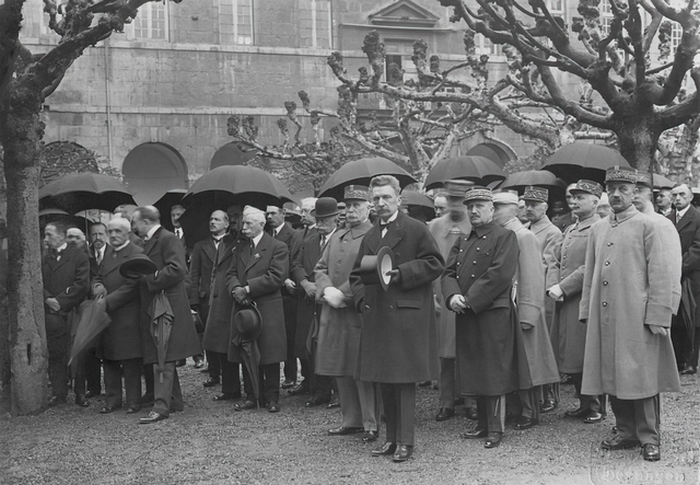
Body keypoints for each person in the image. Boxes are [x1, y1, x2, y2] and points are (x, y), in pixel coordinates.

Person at [580, 166, 681, 462]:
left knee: (642, 375)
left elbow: (661, 272)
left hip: (637, 316)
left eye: (623, 188)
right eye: (611, 188)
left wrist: (659, 315)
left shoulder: (650, 225)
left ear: (635, 192)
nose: (616, 194)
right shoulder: (598, 228)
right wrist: (587, 310)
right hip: (605, 315)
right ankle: (625, 431)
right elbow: (590, 274)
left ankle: (650, 437)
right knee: (611, 373)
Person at [349, 175, 444, 463]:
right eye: (376, 198)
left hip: (405, 316)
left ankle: (406, 442)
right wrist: (362, 300)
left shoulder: (416, 229)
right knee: (384, 380)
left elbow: (435, 263)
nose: (380, 203)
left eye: (386, 197)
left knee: (403, 382)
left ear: (398, 200)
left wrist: (401, 273)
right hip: (377, 315)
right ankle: (390, 439)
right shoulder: (370, 235)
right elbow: (357, 275)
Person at [442, 187, 530, 449]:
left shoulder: (505, 237)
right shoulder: (463, 240)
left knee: (493, 371)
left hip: (492, 313)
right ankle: (481, 423)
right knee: (474, 367)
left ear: (492, 209)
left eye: (480, 206)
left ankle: (495, 427)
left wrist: (469, 300)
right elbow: (447, 273)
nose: (473, 211)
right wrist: (452, 297)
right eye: (470, 207)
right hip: (467, 312)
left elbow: (500, 274)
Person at [315, 186, 379, 442]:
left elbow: (370, 272)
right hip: (333, 312)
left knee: (362, 370)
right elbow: (319, 267)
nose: (351, 210)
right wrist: (326, 288)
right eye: (347, 206)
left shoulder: (374, 235)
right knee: (340, 367)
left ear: (368, 208)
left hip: (358, 312)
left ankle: (371, 422)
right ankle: (350, 419)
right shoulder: (338, 236)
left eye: (357, 205)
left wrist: (344, 294)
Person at [493, 190, 559, 431]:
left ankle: (530, 411)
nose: (495, 211)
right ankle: (516, 408)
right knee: (513, 363)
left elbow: (533, 276)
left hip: (523, 307)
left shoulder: (524, 236)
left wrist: (529, 312)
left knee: (529, 363)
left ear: (513, 210)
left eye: (498, 207)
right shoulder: (505, 234)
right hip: (508, 308)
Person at [131, 206, 201, 423]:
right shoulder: (154, 240)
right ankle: (175, 401)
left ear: (144, 221)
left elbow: (177, 269)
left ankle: (161, 407)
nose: (133, 227)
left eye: (134, 222)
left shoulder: (167, 238)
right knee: (165, 353)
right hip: (160, 304)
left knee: (162, 355)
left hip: (166, 305)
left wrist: (148, 279)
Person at [546, 180, 605, 423]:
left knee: (587, 354)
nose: (574, 201)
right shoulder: (571, 228)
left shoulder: (599, 228)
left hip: (583, 298)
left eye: (581, 197)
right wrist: (553, 283)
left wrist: (564, 286)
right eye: (573, 197)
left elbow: (590, 266)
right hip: (565, 299)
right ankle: (584, 402)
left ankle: (596, 405)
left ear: (595, 201)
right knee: (570, 354)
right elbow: (556, 259)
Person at [227, 206, 288, 413]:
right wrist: (235, 288)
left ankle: (272, 397)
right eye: (243, 223)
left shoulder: (277, 247)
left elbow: (276, 277)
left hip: (267, 307)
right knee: (246, 349)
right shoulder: (240, 248)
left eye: (248, 223)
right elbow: (231, 273)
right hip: (244, 307)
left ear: (261, 225)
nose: (243, 227)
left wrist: (247, 288)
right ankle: (252, 395)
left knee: (269, 354)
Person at [427, 179, 475, 422]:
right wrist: (430, 295)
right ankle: (446, 402)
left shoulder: (475, 223)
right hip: (440, 297)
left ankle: (470, 399)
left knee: (469, 350)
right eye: (452, 199)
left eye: (460, 199)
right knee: (444, 354)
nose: (456, 204)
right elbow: (425, 261)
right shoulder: (434, 226)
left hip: (468, 296)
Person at [91, 218, 143, 414]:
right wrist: (97, 286)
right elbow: (98, 275)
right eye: (110, 231)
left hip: (127, 314)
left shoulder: (136, 254)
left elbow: (133, 285)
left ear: (128, 234)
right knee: (109, 358)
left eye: (118, 231)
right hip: (107, 316)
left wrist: (107, 302)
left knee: (130, 360)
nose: (113, 235)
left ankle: (134, 401)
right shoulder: (108, 254)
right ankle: (112, 400)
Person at [291, 198, 339, 407]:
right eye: (317, 219)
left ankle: (338, 391)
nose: (320, 223)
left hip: (331, 301)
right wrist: (304, 283)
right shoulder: (309, 241)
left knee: (332, 345)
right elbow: (296, 264)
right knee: (311, 345)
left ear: (336, 219)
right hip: (309, 301)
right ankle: (319, 390)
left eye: (324, 220)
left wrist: (320, 287)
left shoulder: (341, 239)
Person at [523, 185, 563, 413]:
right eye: (526, 204)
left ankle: (550, 395)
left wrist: (544, 295)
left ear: (545, 207)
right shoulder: (524, 228)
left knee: (546, 347)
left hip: (541, 295)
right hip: (526, 293)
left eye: (534, 205)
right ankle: (534, 393)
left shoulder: (552, 232)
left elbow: (549, 265)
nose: (528, 208)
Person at [42, 222, 90, 406]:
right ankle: (59, 392)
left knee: (77, 352)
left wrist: (60, 302)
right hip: (52, 313)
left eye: (49, 235)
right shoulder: (44, 258)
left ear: (61, 236)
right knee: (56, 351)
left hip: (73, 311)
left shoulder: (79, 257)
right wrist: (47, 299)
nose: (46, 239)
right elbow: (38, 281)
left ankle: (80, 393)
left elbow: (82, 284)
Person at [194, 210, 241, 394]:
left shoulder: (235, 242)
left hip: (229, 295)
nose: (212, 222)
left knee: (227, 341)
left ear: (227, 223)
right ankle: (217, 376)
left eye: (217, 219)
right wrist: (194, 299)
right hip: (210, 296)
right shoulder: (204, 245)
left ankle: (231, 385)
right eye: (211, 219)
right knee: (213, 339)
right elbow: (197, 273)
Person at [267, 204, 303, 390]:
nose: (270, 216)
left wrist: (286, 279)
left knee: (290, 335)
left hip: (289, 291)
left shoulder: (294, 235)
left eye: (273, 213)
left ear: (283, 214)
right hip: (273, 290)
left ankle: (291, 376)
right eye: (267, 214)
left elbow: (293, 260)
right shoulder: (267, 235)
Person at [669, 183, 700, 374]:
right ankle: (677, 360)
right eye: (674, 195)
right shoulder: (666, 219)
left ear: (690, 198)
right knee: (675, 318)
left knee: (694, 318)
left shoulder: (698, 217)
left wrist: (678, 267)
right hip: (672, 276)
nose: (677, 198)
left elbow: (698, 248)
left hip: (692, 276)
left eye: (682, 194)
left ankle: (691, 361)